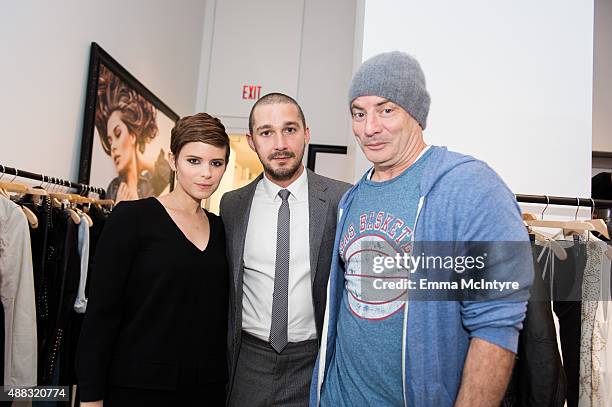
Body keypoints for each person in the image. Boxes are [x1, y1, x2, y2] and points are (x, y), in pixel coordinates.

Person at [310, 51, 534, 406]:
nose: (369, 128)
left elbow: (496, 326)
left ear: (416, 112)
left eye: (386, 109)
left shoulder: (470, 187)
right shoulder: (352, 199)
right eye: (359, 113)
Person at [76, 113, 230, 406]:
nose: (206, 173)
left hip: (205, 390)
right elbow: (101, 315)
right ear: (173, 161)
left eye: (216, 163)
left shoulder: (222, 228)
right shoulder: (132, 218)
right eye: (193, 161)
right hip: (137, 389)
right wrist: (91, 397)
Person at [220, 93, 351, 406]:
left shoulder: (341, 199)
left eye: (289, 130)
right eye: (266, 133)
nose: (279, 144)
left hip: (312, 362)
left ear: (306, 134)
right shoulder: (232, 205)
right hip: (247, 361)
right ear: (252, 141)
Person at [95, 65, 172, 203]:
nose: (112, 147)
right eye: (110, 140)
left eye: (118, 134)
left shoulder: (149, 184)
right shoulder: (114, 188)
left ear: (132, 136)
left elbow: (167, 169)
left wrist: (139, 161)